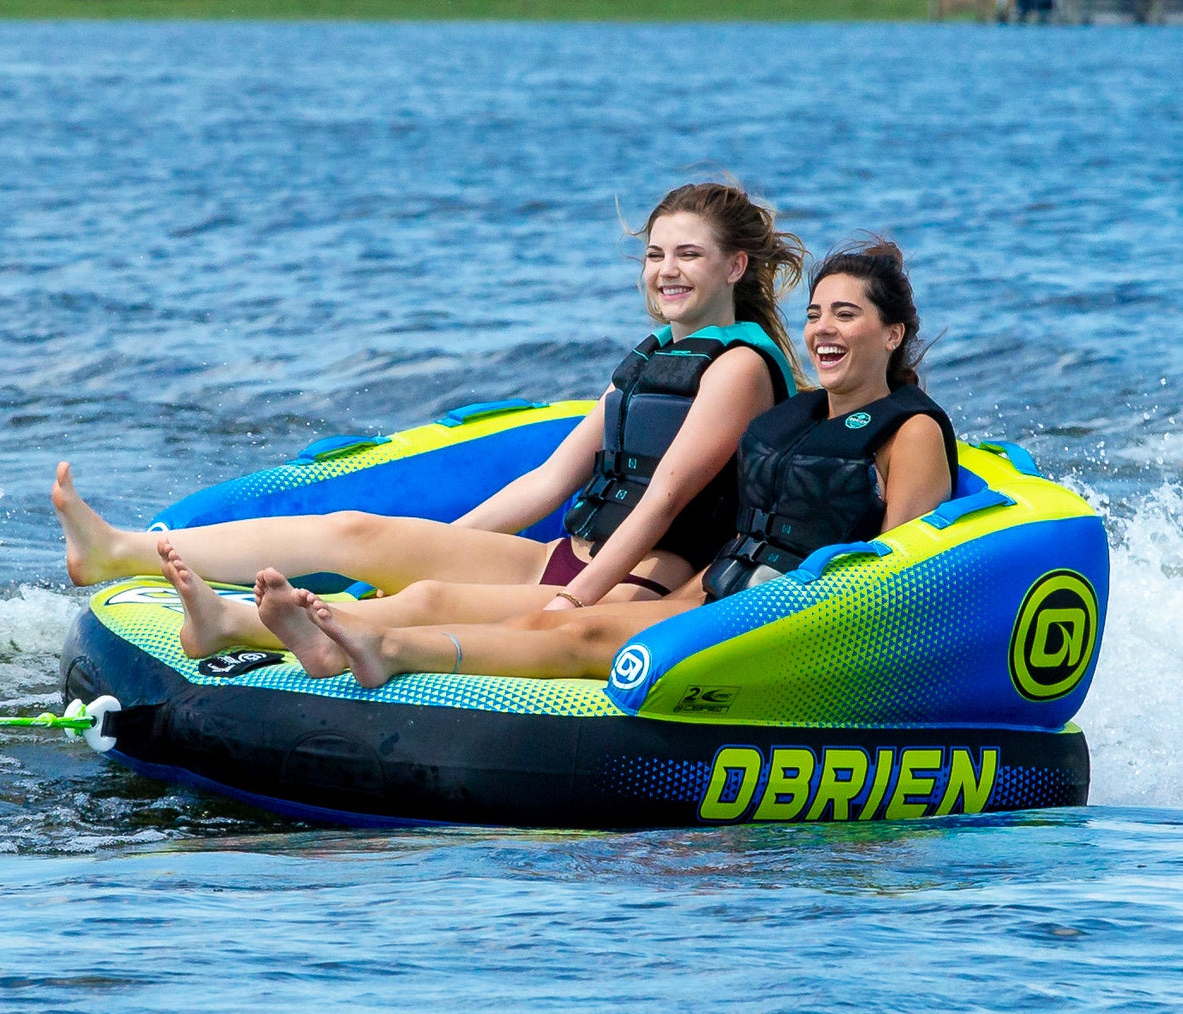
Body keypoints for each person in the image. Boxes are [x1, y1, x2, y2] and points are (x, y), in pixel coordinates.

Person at [53, 183, 805, 667]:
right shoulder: (650, 360)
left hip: (636, 582)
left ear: (737, 267)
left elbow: (666, 501)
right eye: (654, 255)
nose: (666, 270)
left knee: (428, 604)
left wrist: (576, 599)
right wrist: (430, 552)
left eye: (688, 255)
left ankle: (236, 625)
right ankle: (120, 550)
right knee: (358, 532)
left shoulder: (740, 366)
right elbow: (548, 480)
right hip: (568, 554)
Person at [248, 238, 958, 688]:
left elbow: (898, 573)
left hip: (791, 629)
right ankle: (364, 644)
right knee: (529, 621)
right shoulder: (791, 420)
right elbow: (744, 539)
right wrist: (680, 604)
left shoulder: (911, 431)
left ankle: (385, 650)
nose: (822, 330)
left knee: (578, 632)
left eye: (846, 316)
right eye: (815, 315)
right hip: (719, 602)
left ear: (892, 334)